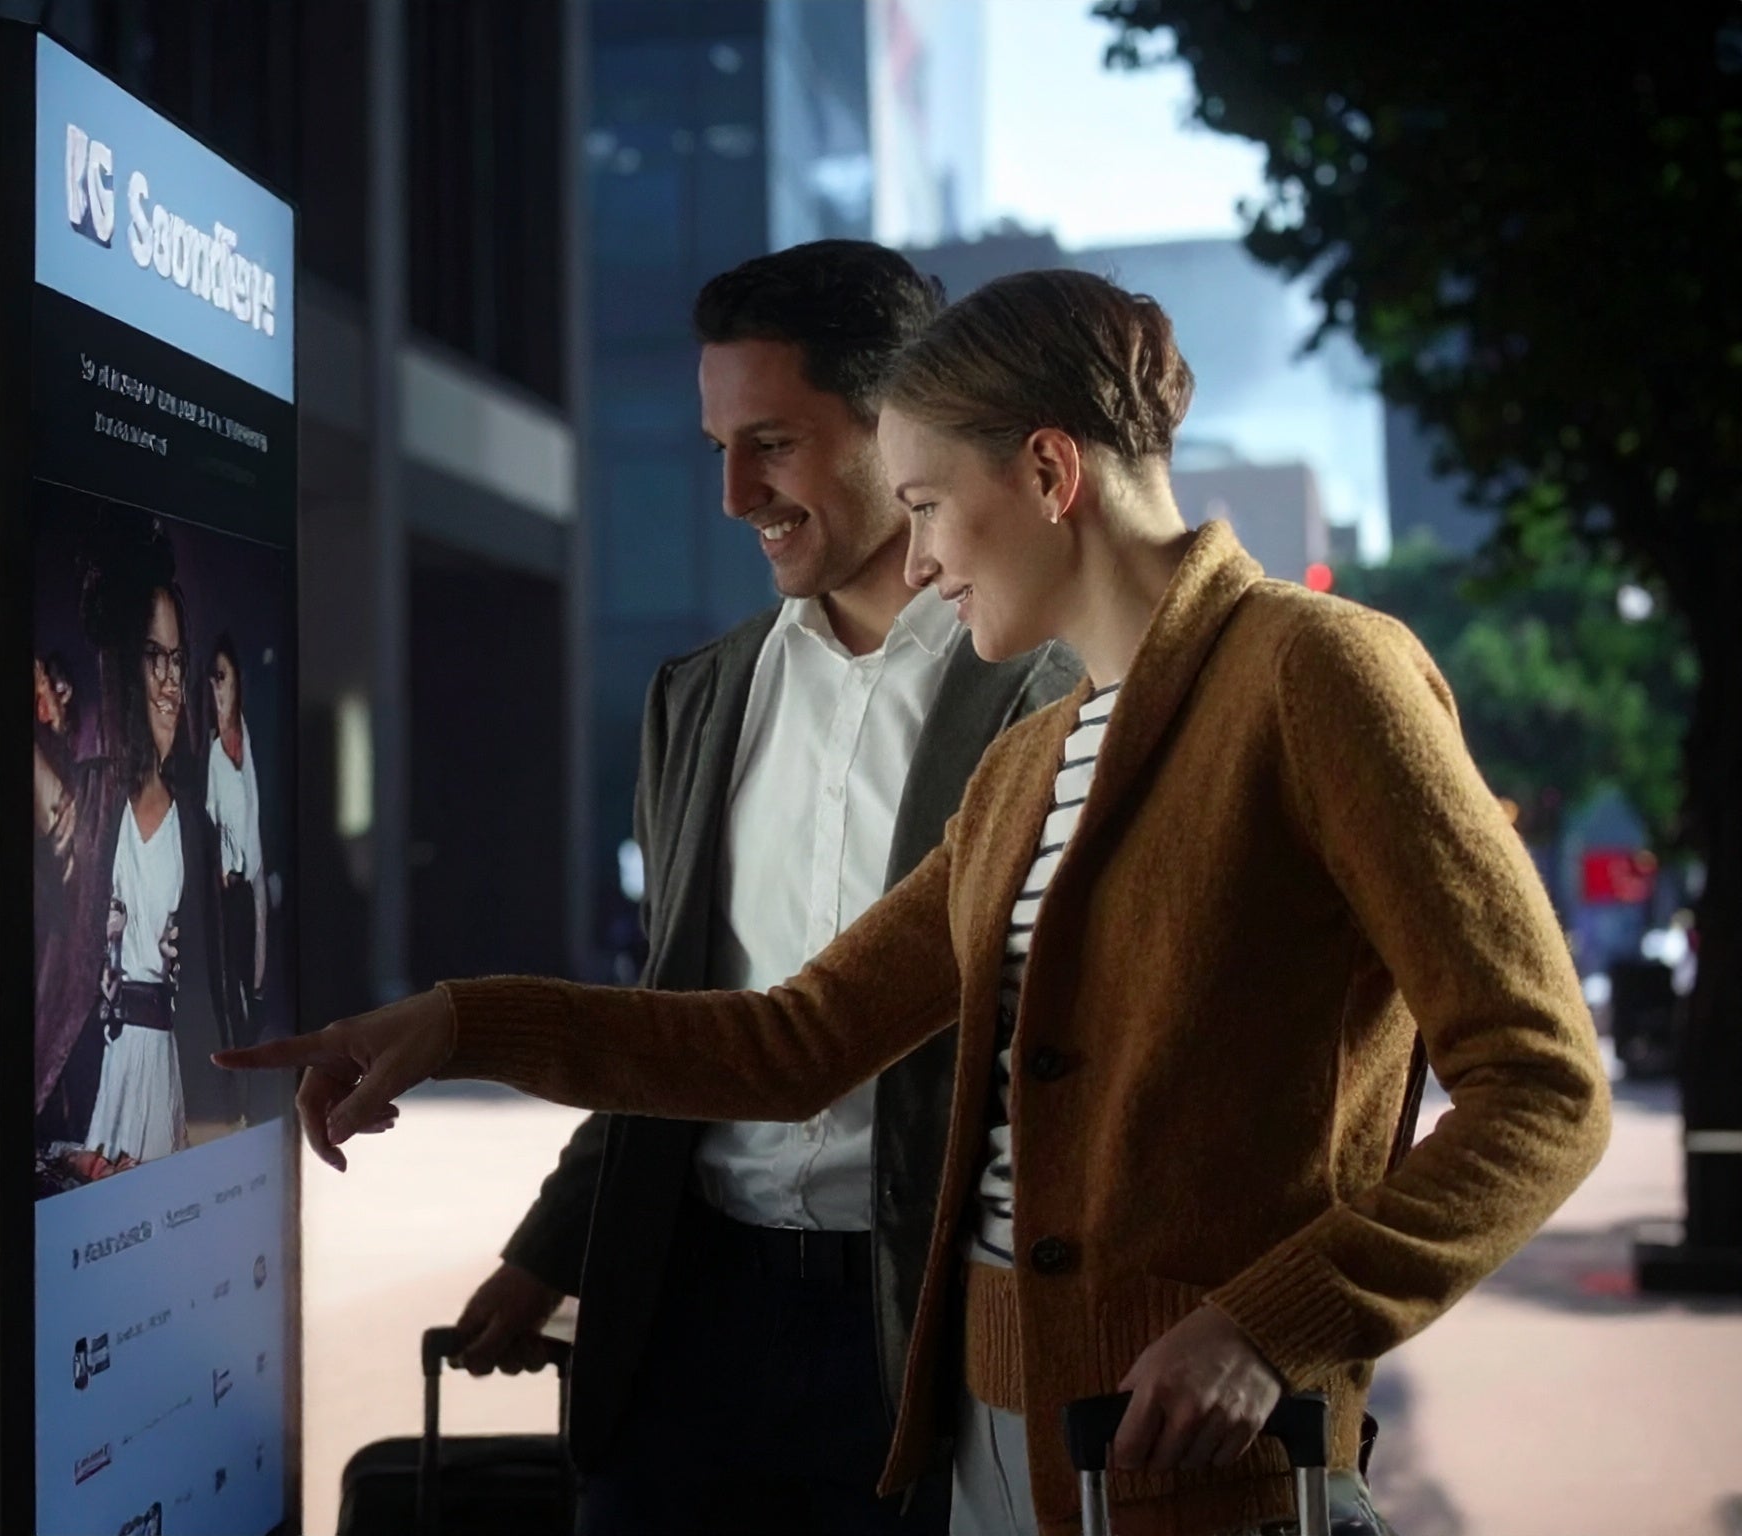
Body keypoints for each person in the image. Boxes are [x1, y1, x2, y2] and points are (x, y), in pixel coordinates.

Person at [225, 270, 1613, 1536]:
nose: (926, 560)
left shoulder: (1321, 674)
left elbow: (1545, 1087)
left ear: (1053, 471)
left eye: (934, 506)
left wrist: (1267, 1328)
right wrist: (460, 1022)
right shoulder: (1026, 768)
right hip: (974, 1442)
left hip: (1203, 1453)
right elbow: (788, 1043)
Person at [448, 241, 1078, 1536]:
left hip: (930, 1319)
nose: (735, 493)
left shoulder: (1048, 694)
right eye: (720, 444)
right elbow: (676, 1007)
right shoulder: (699, 699)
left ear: (900, 419)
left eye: (773, 444)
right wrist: (557, 1241)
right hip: (691, 1312)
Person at [35, 518, 219, 1176]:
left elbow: (209, 978)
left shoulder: (195, 822)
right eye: (153, 658)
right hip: (95, 1076)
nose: (171, 684)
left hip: (163, 1064)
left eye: (178, 660)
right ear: (119, 668)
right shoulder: (88, 802)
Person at [201, 633, 269, 1056]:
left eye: (222, 678)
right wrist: (226, 868)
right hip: (233, 885)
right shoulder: (213, 754)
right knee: (235, 982)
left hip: (256, 877)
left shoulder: (249, 738)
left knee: (256, 978)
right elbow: (213, 816)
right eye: (211, 680)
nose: (216, 689)